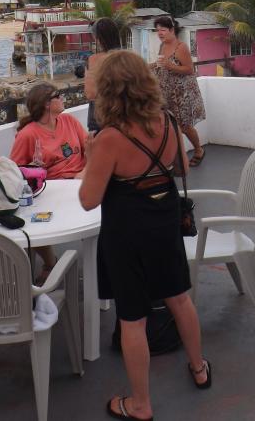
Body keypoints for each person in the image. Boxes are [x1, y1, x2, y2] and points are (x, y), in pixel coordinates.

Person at [79, 50, 208, 421]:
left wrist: (90, 158)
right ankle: (199, 368)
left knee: (132, 318)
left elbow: (88, 200)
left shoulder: (109, 138)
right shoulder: (167, 121)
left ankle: (140, 404)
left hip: (127, 232)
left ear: (109, 88)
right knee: (179, 298)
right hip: (164, 222)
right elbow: (182, 168)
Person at [10, 82, 89, 282]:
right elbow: (14, 172)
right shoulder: (28, 134)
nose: (62, 98)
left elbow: (92, 149)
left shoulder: (69, 121)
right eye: (58, 95)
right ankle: (49, 263)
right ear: (46, 103)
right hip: (52, 191)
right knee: (30, 222)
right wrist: (33, 166)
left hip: (80, 182)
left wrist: (84, 172)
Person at [151, 15, 206, 166]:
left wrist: (170, 66)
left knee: (185, 126)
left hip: (182, 94)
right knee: (167, 124)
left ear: (172, 30)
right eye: (157, 30)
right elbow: (161, 64)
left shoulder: (181, 47)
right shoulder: (162, 46)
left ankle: (199, 150)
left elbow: (189, 69)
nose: (160, 33)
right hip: (167, 93)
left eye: (163, 30)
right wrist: (149, 66)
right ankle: (174, 155)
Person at [85, 17, 123, 133]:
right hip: (124, 115)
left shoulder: (94, 60)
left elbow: (90, 94)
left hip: (100, 117)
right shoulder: (128, 58)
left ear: (97, 38)